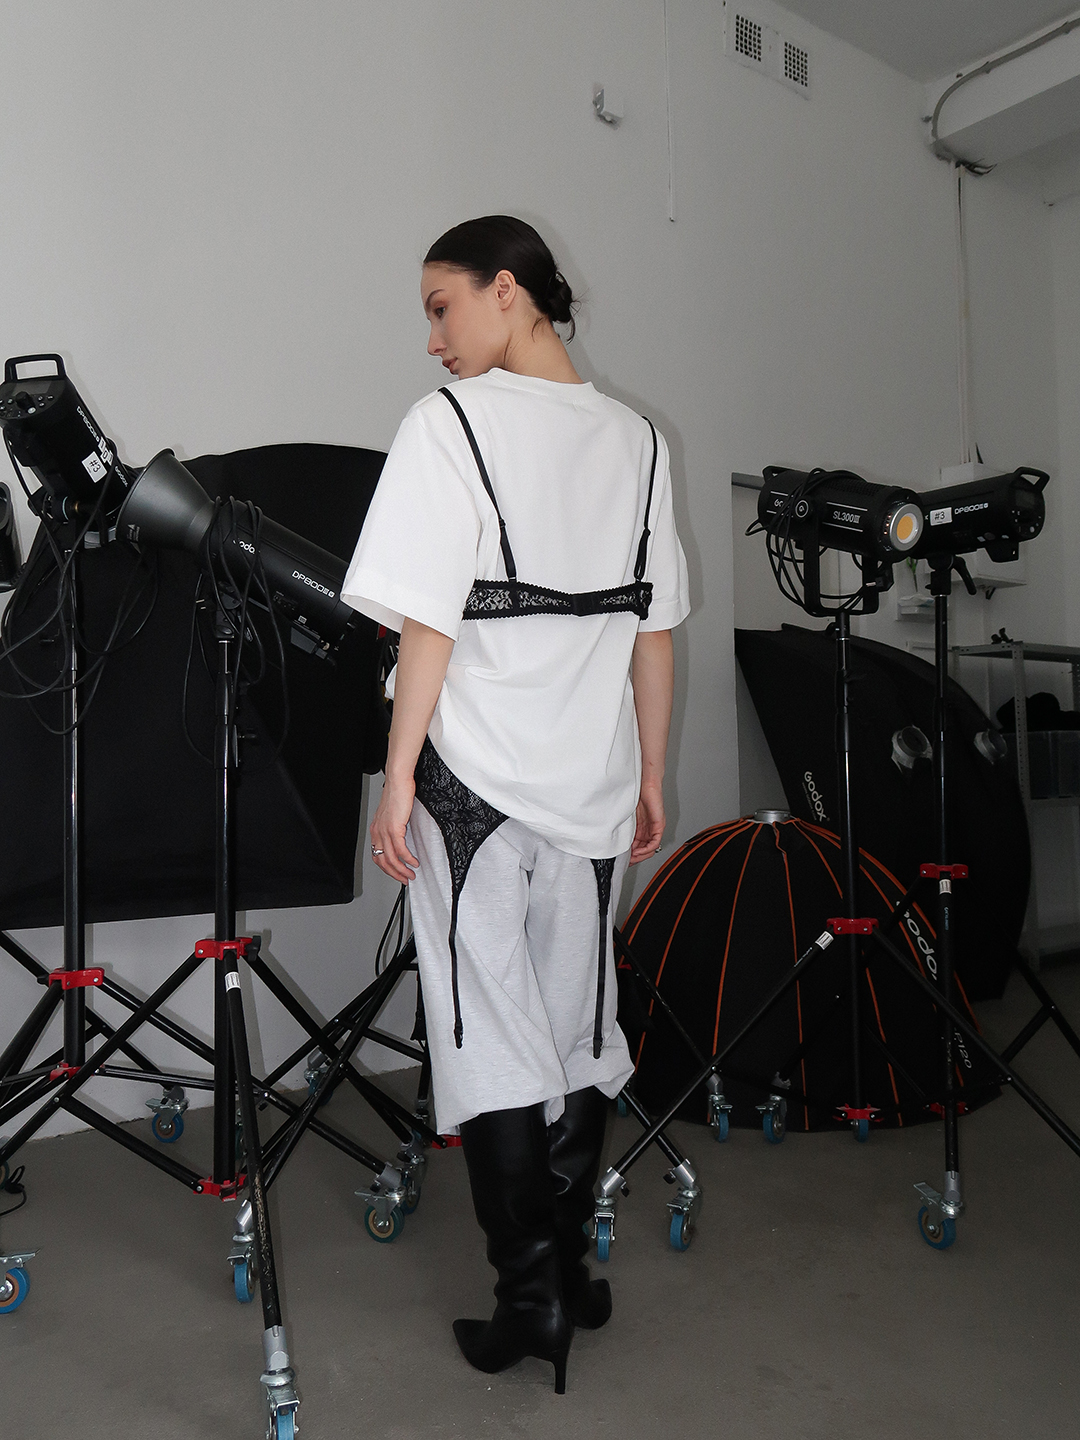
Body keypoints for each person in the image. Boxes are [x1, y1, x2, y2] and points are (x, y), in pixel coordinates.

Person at [342, 215, 689, 1393]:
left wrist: (397, 776)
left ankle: (529, 1296)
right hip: (594, 788)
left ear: (508, 291)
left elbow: (427, 622)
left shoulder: (448, 424)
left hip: (473, 784)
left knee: (486, 1036)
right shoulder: (639, 440)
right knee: (579, 1025)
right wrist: (651, 773)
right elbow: (653, 630)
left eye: (441, 306)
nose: (432, 337)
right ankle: (573, 1277)